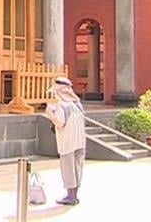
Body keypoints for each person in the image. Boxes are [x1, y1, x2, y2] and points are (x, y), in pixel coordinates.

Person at [43, 76, 86, 206]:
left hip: (67, 142)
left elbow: (60, 123)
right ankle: (75, 195)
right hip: (80, 141)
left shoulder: (61, 106)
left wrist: (50, 114)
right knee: (78, 167)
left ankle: (70, 196)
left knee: (68, 168)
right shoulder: (77, 104)